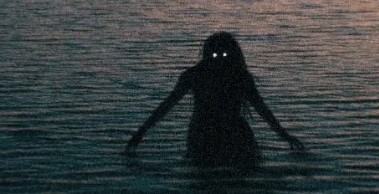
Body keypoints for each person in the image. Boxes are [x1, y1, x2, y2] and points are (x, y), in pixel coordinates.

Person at [125, 32, 305, 167]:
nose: (219, 60)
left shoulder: (240, 77)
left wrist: (284, 135)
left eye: (224, 55)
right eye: (214, 56)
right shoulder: (194, 75)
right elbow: (167, 105)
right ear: (206, 54)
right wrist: (141, 132)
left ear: (232, 55)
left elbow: (261, 109)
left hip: (233, 133)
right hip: (204, 133)